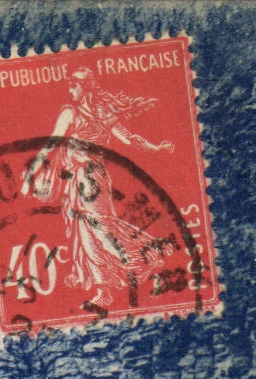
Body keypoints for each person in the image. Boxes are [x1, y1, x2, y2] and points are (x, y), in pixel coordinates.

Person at [21, 68, 177, 312]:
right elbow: (52, 144)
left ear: (86, 87)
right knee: (86, 237)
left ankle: (142, 260)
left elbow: (128, 137)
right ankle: (103, 292)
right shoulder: (72, 112)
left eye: (74, 85)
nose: (70, 89)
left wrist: (156, 148)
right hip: (77, 180)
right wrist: (32, 172)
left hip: (92, 179)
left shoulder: (95, 112)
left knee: (102, 230)